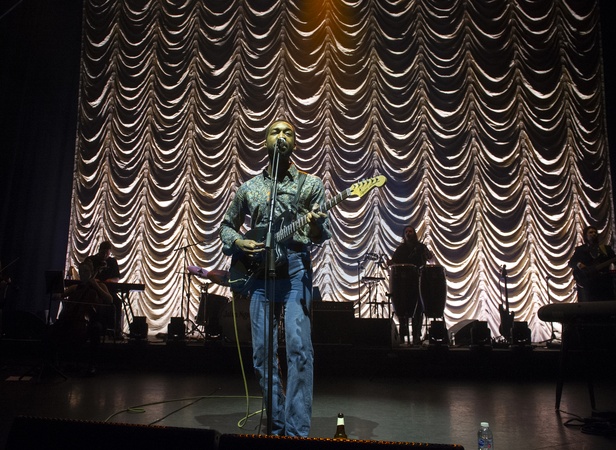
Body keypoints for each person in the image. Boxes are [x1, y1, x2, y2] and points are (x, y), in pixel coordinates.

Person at [219, 119, 331, 437]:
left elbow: (320, 233)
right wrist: (239, 241)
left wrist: (314, 224)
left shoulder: (310, 184)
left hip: (295, 270)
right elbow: (226, 225)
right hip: (259, 275)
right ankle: (277, 425)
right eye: (275, 131)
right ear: (265, 141)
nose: (281, 136)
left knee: (299, 350)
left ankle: (296, 433)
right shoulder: (250, 188)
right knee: (261, 356)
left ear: (295, 142)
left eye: (288, 132)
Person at [53, 259, 113, 374]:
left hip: (92, 320)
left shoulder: (100, 285)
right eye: (81, 272)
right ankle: (56, 362)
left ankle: (92, 364)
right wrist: (56, 295)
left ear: (91, 272)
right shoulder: (75, 287)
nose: (83, 274)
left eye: (86, 271)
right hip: (74, 320)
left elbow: (110, 300)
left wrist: (96, 286)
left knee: (95, 329)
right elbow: (61, 295)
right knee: (56, 327)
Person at [388, 225, 434, 345]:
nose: (408, 233)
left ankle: (416, 336)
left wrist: (430, 256)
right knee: (403, 311)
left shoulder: (421, 247)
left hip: (418, 284)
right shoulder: (400, 249)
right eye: (407, 232)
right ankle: (403, 337)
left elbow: (430, 259)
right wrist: (390, 263)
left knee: (418, 310)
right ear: (404, 235)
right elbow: (394, 263)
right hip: (403, 286)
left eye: (410, 231)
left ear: (414, 234)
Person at [568, 225, 616, 302]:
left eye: (595, 232)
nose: (593, 234)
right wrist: (579, 264)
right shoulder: (580, 250)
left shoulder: (606, 249)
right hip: (588, 285)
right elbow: (571, 263)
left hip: (604, 283)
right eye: (590, 232)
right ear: (586, 236)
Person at [86, 241, 122, 338]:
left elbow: (117, 278)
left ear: (110, 252)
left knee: (117, 302)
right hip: (93, 289)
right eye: (103, 252)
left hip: (109, 290)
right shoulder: (91, 260)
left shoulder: (112, 262)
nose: (105, 255)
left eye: (107, 253)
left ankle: (115, 329)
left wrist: (110, 280)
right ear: (99, 251)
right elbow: (86, 276)